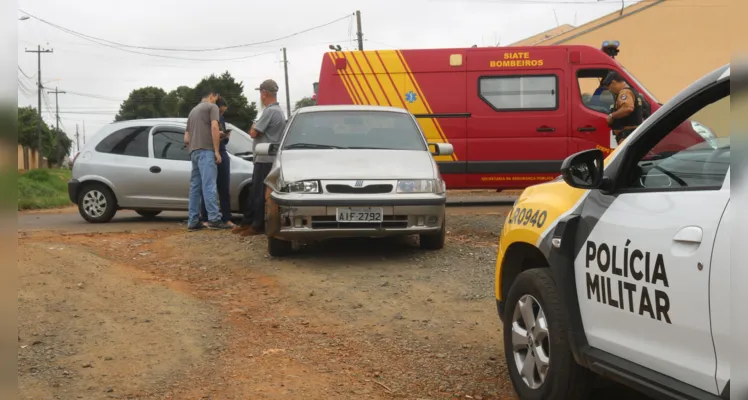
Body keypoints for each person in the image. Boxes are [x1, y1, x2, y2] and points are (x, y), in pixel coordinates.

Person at [232, 79, 286, 237]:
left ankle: (256, 226)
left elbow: (253, 132)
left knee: (259, 194)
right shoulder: (278, 111)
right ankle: (247, 222)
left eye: (260, 93)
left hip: (264, 159)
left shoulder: (270, 111)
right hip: (268, 158)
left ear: (264, 93)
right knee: (257, 193)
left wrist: (254, 125)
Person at [184, 89, 231, 231]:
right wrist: (216, 150)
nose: (217, 101)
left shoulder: (192, 111)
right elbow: (215, 127)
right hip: (206, 151)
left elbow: (186, 138)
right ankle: (214, 219)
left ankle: (192, 221)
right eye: (216, 98)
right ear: (212, 96)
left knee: (195, 187)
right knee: (209, 185)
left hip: (194, 152)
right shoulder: (212, 107)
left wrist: (193, 148)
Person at [199, 96, 234, 227]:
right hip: (209, 151)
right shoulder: (206, 119)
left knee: (224, 187)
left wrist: (225, 136)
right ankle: (206, 217)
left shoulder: (221, 119)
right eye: (220, 111)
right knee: (208, 187)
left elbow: (224, 140)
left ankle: (227, 217)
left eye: (223, 112)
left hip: (222, 151)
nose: (221, 114)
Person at [601, 71, 644, 145]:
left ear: (613, 82)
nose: (610, 90)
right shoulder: (631, 91)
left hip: (627, 136)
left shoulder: (624, 93)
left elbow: (628, 108)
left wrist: (612, 115)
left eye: (609, 87)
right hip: (630, 135)